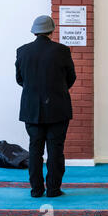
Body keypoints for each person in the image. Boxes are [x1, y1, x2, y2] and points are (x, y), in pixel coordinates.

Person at [15, 15, 76, 198]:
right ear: (52, 30)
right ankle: (53, 189)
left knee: (35, 150)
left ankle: (36, 190)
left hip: (31, 109)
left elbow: (20, 80)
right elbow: (70, 78)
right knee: (55, 150)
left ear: (34, 31)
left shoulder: (22, 51)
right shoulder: (62, 51)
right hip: (58, 108)